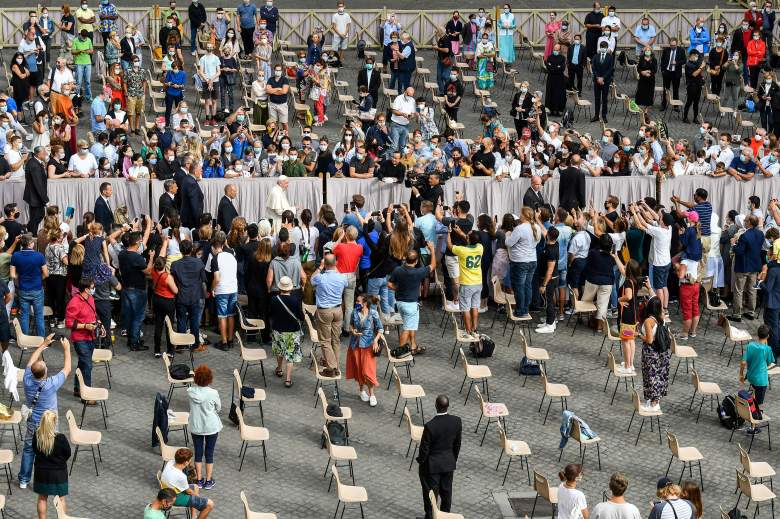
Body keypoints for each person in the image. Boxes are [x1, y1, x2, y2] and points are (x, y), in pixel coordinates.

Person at [18, 334, 70, 489]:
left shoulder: (27, 379)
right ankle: (49, 476)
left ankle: (23, 479)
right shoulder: (50, 384)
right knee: (50, 447)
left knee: (28, 449)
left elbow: (31, 362)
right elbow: (67, 368)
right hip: (50, 421)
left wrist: (43, 345)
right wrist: (67, 349)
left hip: (33, 420)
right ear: (45, 373)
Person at [418, 394, 461, 519]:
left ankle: (431, 516)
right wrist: (452, 459)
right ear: (448, 406)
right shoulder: (457, 421)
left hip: (432, 466)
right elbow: (457, 444)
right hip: (448, 464)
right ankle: (445, 516)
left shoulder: (430, 426)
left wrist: (421, 462)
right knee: (447, 493)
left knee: (431, 494)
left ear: (436, 406)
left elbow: (424, 449)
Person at [64, 277, 100, 402]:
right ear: (86, 289)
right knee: (88, 365)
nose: (94, 289)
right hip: (80, 338)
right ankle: (87, 395)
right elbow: (69, 323)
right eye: (92, 287)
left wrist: (98, 324)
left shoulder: (90, 298)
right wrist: (85, 326)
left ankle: (77, 388)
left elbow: (93, 314)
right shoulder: (74, 302)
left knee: (82, 363)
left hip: (90, 336)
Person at [312, 254, 348, 377]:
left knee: (325, 340)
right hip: (338, 310)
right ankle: (335, 366)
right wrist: (332, 265)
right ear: (336, 264)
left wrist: (320, 267)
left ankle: (331, 367)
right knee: (336, 340)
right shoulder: (342, 277)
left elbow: (312, 279)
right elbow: (345, 282)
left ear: (325, 264)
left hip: (325, 311)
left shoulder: (320, 278)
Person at [187, 365, 221, 490]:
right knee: (209, 453)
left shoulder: (190, 391)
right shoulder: (213, 393)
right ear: (209, 379)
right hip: (211, 426)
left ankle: (199, 480)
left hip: (196, 426)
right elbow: (218, 408)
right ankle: (208, 480)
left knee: (198, 452)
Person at [32, 410, 71, 519]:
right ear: (53, 423)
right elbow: (68, 453)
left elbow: (34, 450)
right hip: (58, 473)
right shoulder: (61, 438)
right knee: (61, 498)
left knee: (42, 498)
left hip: (41, 472)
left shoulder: (37, 436)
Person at [346, 293, 382, 406]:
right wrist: (353, 331)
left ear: (365, 303)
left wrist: (376, 340)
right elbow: (351, 325)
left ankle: (372, 394)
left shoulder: (373, 313)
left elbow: (380, 329)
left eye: (358, 301)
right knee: (358, 369)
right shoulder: (354, 312)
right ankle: (361, 391)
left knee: (368, 371)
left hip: (368, 345)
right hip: (355, 344)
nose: (356, 303)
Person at [172, 240, 207, 351]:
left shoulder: (175, 265)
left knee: (181, 320)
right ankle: (195, 344)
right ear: (191, 249)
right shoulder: (199, 263)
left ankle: (182, 344)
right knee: (194, 320)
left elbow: (173, 280)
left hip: (181, 295)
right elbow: (203, 279)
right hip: (195, 295)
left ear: (181, 250)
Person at [160, 448, 215, 519]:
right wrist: (198, 497)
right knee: (210, 504)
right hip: (175, 498)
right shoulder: (181, 476)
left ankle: (193, 516)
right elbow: (189, 491)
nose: (190, 461)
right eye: (190, 460)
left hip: (167, 491)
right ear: (186, 462)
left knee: (195, 487)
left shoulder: (170, 462)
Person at [449, 228, 483, 336]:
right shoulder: (480, 248)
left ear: (468, 239)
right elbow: (472, 240)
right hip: (478, 283)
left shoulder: (462, 250)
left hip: (467, 284)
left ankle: (468, 331)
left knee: (465, 308)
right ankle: (474, 328)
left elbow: (449, 245)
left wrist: (449, 232)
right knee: (475, 306)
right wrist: (462, 233)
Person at [11, 234, 48, 336]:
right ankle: (41, 340)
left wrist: (22, 276)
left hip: (23, 289)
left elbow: (13, 274)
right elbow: (46, 274)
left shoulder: (16, 256)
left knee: (24, 315)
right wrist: (38, 278)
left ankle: (25, 341)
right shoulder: (39, 256)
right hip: (37, 289)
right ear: (31, 243)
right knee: (39, 315)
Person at [639, 297, 670, 412]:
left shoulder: (648, 321)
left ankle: (654, 404)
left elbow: (649, 340)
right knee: (658, 377)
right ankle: (654, 400)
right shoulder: (661, 317)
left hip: (651, 353)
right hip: (661, 353)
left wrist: (638, 335)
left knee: (650, 377)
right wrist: (649, 288)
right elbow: (656, 299)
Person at [731, 215, 763, 321]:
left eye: (745, 220)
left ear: (749, 222)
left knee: (739, 291)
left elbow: (739, 251)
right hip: (754, 266)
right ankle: (751, 312)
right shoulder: (760, 234)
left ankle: (737, 314)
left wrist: (733, 244)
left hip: (743, 267)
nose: (744, 222)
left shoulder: (745, 235)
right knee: (752, 290)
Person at [740, 324, 776, 417]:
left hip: (751, 376)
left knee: (754, 394)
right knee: (758, 404)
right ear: (768, 336)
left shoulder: (751, 345)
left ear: (757, 334)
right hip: (761, 380)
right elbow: (769, 363)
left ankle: (751, 407)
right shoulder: (767, 349)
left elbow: (743, 362)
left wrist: (741, 375)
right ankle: (754, 421)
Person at [23, 146, 49, 235]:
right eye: (44, 152)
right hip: (35, 197)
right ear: (38, 154)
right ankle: (31, 235)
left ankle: (28, 231)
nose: (45, 154)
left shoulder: (34, 162)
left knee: (39, 215)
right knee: (35, 218)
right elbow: (38, 185)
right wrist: (46, 200)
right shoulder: (34, 165)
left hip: (35, 196)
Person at [590, 40, 614, 123]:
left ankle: (604, 116)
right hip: (597, 81)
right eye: (601, 47)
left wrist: (603, 78)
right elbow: (593, 68)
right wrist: (598, 78)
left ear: (607, 48)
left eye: (604, 47)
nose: (603, 49)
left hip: (605, 81)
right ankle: (596, 115)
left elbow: (610, 69)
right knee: (597, 98)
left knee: (604, 99)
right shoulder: (596, 56)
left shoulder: (610, 57)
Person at [660, 38, 686, 112]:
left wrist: (676, 62)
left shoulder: (681, 50)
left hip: (676, 73)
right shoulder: (666, 50)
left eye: (674, 45)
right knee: (665, 89)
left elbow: (684, 60)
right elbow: (662, 60)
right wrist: (662, 70)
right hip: (667, 72)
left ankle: (676, 106)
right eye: (671, 45)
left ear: (677, 44)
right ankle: (663, 104)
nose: (672, 47)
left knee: (675, 90)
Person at [683, 50, 707, 123]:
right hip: (691, 86)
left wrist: (701, 76)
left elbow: (698, 73)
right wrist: (701, 67)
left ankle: (695, 118)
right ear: (691, 55)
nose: (697, 57)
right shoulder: (688, 65)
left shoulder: (695, 63)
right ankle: (685, 117)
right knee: (689, 102)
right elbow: (694, 74)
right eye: (696, 56)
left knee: (696, 103)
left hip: (698, 85)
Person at [71, 29, 94, 102]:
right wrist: (79, 51)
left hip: (88, 63)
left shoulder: (89, 40)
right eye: (83, 37)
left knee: (87, 81)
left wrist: (87, 51)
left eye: (85, 37)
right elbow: (73, 51)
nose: (84, 38)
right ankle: (77, 97)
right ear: (80, 35)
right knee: (79, 82)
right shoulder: (75, 40)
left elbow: (92, 50)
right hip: (79, 63)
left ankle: (88, 97)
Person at [544, 44, 566, 116]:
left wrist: (553, 67)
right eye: (554, 50)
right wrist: (556, 67)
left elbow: (562, 68)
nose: (555, 51)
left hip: (559, 79)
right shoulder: (550, 57)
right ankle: (550, 109)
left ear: (559, 51)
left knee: (559, 94)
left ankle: (558, 109)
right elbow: (548, 67)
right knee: (550, 93)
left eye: (557, 50)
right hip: (551, 78)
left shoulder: (562, 58)